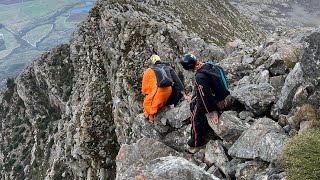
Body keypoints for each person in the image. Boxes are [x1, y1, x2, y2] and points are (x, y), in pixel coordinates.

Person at [180, 53, 230, 147]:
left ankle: (196, 141)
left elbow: (205, 97)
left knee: (196, 116)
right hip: (221, 96)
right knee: (195, 100)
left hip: (214, 99)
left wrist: (214, 111)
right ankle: (206, 127)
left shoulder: (200, 77)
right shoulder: (209, 65)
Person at [142, 55, 188, 122]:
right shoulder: (167, 68)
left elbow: (145, 89)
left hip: (158, 91)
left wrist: (148, 94)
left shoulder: (149, 70)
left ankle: (151, 119)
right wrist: (173, 102)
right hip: (168, 91)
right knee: (160, 102)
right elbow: (179, 86)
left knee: (147, 105)